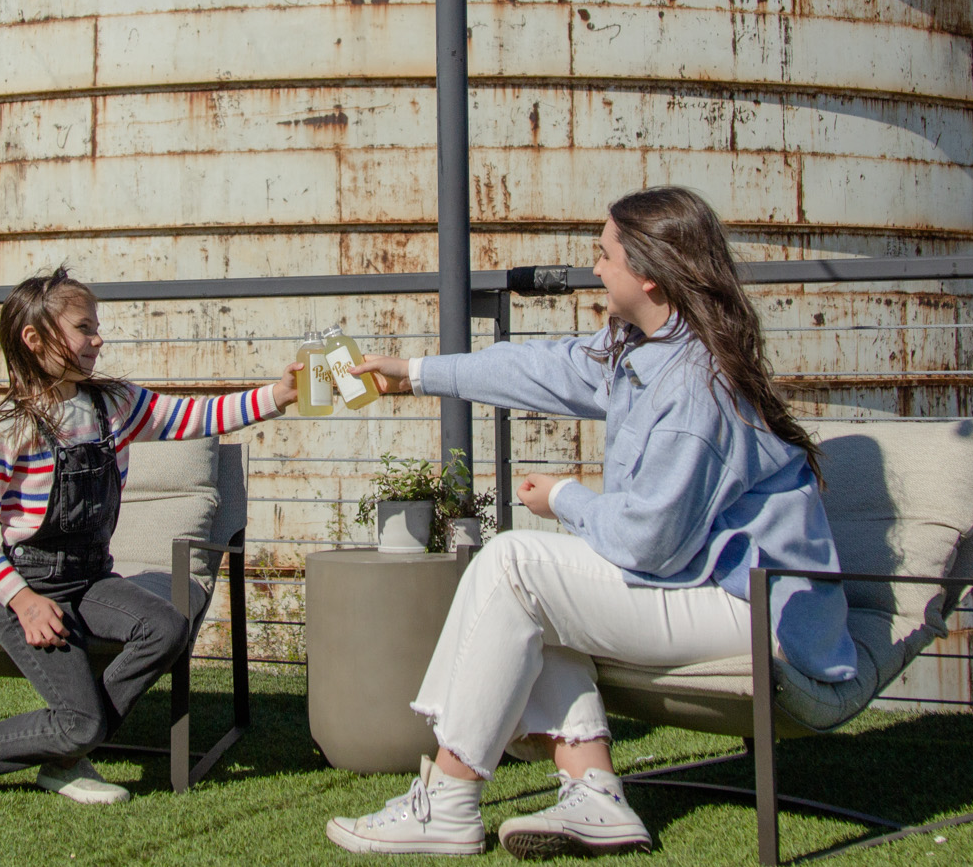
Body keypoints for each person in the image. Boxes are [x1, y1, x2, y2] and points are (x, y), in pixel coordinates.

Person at [325, 187, 858, 858]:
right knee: (532, 600)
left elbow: (648, 543)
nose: (595, 269)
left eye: (604, 256)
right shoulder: (644, 347)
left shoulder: (698, 387)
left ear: (650, 273)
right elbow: (543, 367)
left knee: (516, 565)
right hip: (710, 586)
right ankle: (596, 795)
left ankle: (450, 798)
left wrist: (566, 497)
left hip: (757, 614)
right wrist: (415, 373)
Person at [0, 267, 299, 809]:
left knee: (166, 626)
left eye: (96, 325)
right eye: (84, 327)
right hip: (29, 589)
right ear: (35, 339)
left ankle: (67, 751)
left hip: (91, 579)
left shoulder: (115, 404)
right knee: (79, 722)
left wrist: (280, 393)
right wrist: (26, 602)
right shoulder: (7, 426)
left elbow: (196, 415)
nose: (98, 338)